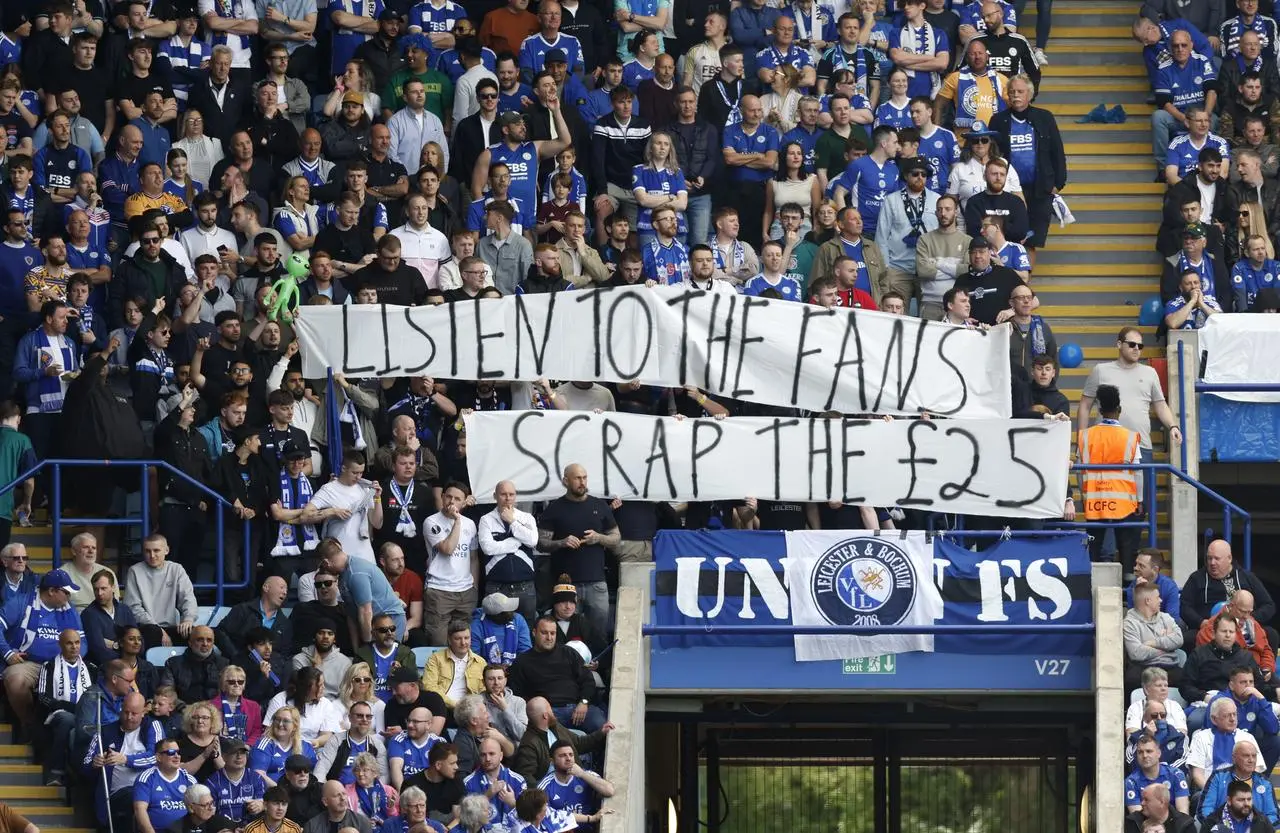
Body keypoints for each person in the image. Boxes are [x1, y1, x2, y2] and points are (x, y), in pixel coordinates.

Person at [0, 568, 85, 732]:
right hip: (30, 663)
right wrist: (7, 653)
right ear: (52, 591)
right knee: (15, 679)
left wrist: (72, 660)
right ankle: (30, 725)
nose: (69, 597)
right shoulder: (21, 602)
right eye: (66, 592)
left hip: (61, 662)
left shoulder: (69, 610)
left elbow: (83, 642)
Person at [1077, 384, 1144, 570]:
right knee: (1127, 548)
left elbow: (1080, 472)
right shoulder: (1129, 437)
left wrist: (1084, 498)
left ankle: (1093, 587)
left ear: (1099, 410)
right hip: (1124, 504)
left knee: (1094, 549)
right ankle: (1127, 587)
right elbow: (1138, 472)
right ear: (1120, 410)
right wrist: (1139, 500)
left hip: (1095, 502)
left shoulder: (1085, 437)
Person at [84, 691, 166, 833]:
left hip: (151, 789)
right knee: (134, 796)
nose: (129, 717)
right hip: (118, 795)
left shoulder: (153, 726)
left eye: (134, 713)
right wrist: (95, 763)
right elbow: (85, 764)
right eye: (126, 712)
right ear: (121, 708)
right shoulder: (105, 731)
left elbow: (158, 757)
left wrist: (127, 759)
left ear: (144, 712)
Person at [507, 619, 604, 734]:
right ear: (534, 633)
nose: (549, 638)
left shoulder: (569, 653)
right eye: (544, 633)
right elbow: (517, 695)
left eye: (552, 633)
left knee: (602, 727)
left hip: (577, 707)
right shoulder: (522, 662)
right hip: (545, 713)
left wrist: (584, 702)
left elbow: (587, 680)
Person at [512, 696, 610, 786]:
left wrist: (601, 732)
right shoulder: (529, 744)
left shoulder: (555, 726)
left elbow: (579, 744)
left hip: (575, 778)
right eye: (550, 708)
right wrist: (543, 798)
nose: (552, 711)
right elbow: (525, 777)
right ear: (545, 716)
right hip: (552, 792)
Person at [124, 534, 198, 648]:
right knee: (153, 633)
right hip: (146, 627)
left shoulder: (176, 569)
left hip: (171, 626)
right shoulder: (135, 571)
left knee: (195, 634)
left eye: (156, 550)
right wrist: (158, 629)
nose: (152, 555)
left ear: (166, 550)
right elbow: (133, 608)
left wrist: (188, 619)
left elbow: (188, 598)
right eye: (148, 551)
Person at [1198, 590, 1275, 684]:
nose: (1246, 616)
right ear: (1231, 606)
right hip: (1231, 677)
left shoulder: (1253, 623)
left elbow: (1266, 649)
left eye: (1249, 612)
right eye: (1242, 611)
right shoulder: (1213, 627)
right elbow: (1212, 659)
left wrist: (1267, 667)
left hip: (1258, 673)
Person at [1200, 742, 1279, 826]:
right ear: (1234, 758)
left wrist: (1257, 828)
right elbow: (1206, 809)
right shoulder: (1218, 777)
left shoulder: (1264, 783)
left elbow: (1272, 815)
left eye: (1254, 756)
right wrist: (1222, 827)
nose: (1251, 760)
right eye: (1246, 756)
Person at [538, 740, 614, 826]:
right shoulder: (545, 786)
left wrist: (582, 774)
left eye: (571, 755)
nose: (568, 758)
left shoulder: (586, 775)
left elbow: (609, 790)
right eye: (562, 755)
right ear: (552, 761)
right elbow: (542, 819)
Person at [133, 736, 199, 833]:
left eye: (178, 752)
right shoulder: (146, 778)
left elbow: (201, 809)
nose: (177, 756)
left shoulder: (189, 780)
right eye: (171, 753)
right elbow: (140, 811)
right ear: (158, 757)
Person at [315, 698, 389, 784]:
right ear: (350, 718)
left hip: (367, 793)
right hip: (339, 794)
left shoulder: (377, 744)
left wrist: (375, 792)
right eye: (360, 716)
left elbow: (384, 775)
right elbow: (321, 769)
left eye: (368, 716)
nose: (365, 719)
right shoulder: (336, 740)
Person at [421, 621, 485, 709]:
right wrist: (455, 705)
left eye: (466, 638)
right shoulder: (436, 659)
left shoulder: (480, 662)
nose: (463, 643)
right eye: (458, 639)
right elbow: (429, 686)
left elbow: (483, 691)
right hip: (442, 706)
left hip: (471, 708)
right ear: (449, 640)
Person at [1125, 732, 1190, 815]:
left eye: (1149, 751)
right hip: (1147, 826)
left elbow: (1183, 812)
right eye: (1140, 752)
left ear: (1158, 753)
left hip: (1174, 823)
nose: (1144, 755)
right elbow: (1137, 818)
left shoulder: (1176, 775)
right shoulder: (1131, 782)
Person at [462, 737, 525, 821]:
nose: (487, 759)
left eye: (491, 754)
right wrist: (487, 795)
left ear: (501, 756)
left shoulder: (518, 781)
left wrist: (513, 803)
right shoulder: (468, 783)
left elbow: (530, 816)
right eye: (483, 755)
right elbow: (466, 818)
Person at [387, 707, 442, 791]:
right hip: (407, 792)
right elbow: (396, 769)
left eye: (415, 721)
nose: (410, 725)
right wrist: (404, 794)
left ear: (428, 724)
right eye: (408, 720)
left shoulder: (439, 743)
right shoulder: (398, 740)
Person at [471, 594, 532, 667]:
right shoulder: (476, 627)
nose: (512, 612)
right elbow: (475, 659)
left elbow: (525, 651)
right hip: (486, 671)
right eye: (508, 611)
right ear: (496, 615)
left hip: (516, 669)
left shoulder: (518, 619)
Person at [1124, 783, 1197, 833]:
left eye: (1146, 800)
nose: (1142, 803)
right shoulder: (1133, 821)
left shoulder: (1184, 825)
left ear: (1161, 802)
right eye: (1142, 799)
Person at [304, 780, 373, 833]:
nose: (342, 798)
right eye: (337, 795)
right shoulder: (311, 826)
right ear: (325, 801)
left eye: (344, 794)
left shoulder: (362, 822)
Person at [169, 783, 237, 833]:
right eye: (206, 805)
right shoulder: (176, 829)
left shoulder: (223, 824)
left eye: (211, 803)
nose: (211, 808)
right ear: (191, 808)